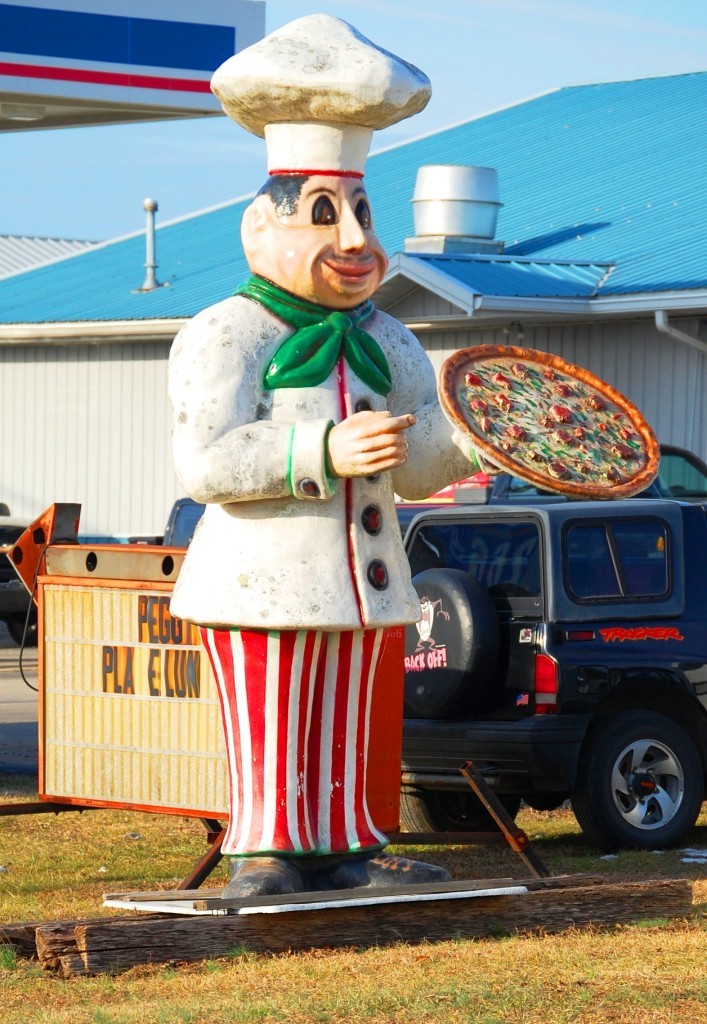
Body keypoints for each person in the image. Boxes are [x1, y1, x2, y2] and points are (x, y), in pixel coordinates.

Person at [168, 15, 478, 898]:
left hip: (367, 576)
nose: (353, 240)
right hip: (263, 574)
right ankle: (265, 848)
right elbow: (206, 462)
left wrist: (464, 441)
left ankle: (347, 844)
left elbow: (414, 463)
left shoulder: (394, 340)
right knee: (275, 709)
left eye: (361, 213)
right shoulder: (226, 333)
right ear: (259, 229)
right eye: (323, 214)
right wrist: (323, 447)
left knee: (352, 716)